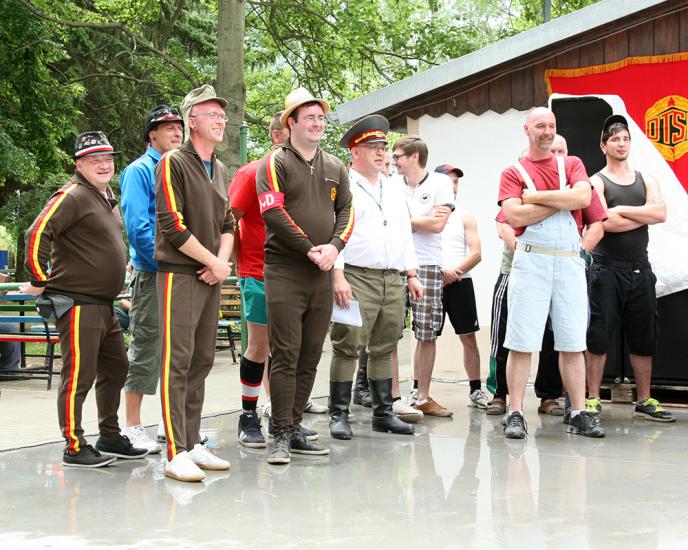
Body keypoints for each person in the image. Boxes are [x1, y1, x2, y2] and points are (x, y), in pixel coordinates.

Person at [22, 131, 148, 467]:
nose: (104, 165)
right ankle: (74, 445)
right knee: (79, 376)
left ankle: (110, 435)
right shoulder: (73, 195)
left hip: (105, 305)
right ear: (79, 165)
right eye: (95, 160)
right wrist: (39, 278)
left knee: (117, 368)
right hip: (78, 304)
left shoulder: (105, 197)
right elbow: (37, 233)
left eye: (107, 158)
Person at [256, 87, 353, 464]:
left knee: (311, 353)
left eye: (320, 118)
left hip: (321, 273)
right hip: (285, 269)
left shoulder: (336, 167)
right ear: (291, 122)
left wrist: (334, 247)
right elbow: (272, 213)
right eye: (309, 117)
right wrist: (310, 248)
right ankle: (279, 433)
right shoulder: (275, 162)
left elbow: (347, 211)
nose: (316, 123)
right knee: (286, 353)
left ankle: (294, 427)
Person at [498, 107, 604, 439]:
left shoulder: (571, 163)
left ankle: (578, 411)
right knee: (521, 340)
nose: (547, 131)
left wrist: (536, 199)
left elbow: (583, 196)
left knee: (573, 340)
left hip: (568, 260)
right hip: (531, 261)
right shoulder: (513, 171)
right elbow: (515, 217)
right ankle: (515, 412)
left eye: (551, 126)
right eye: (540, 125)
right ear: (526, 129)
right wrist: (563, 200)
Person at [155, 85, 235, 481]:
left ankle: (191, 441)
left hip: (210, 275)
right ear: (193, 121)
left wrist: (220, 264)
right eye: (212, 114)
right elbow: (172, 224)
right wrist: (212, 262)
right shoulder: (173, 162)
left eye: (222, 114)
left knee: (202, 359)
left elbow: (228, 223)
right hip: (179, 276)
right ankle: (174, 451)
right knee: (178, 361)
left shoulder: (219, 168)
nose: (221, 120)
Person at [328, 114, 422, 440]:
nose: (382, 153)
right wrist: (337, 275)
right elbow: (334, 232)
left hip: (391, 277)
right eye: (373, 147)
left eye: (384, 147)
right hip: (355, 276)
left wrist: (411, 273)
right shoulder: (343, 186)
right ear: (354, 152)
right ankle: (339, 414)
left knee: (385, 345)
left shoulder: (394, 188)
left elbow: (404, 233)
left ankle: (383, 413)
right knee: (347, 345)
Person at [585, 115, 675, 422]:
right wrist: (642, 214)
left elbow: (661, 213)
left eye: (625, 139)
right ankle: (593, 398)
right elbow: (604, 222)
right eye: (615, 139)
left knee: (643, 336)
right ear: (604, 146)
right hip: (606, 270)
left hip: (641, 270)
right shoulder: (597, 181)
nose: (621, 144)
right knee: (598, 335)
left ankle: (645, 399)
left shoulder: (646, 179)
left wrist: (621, 209)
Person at [120, 105, 184, 454]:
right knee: (146, 349)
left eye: (179, 127)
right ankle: (131, 426)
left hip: (181, 274)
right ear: (151, 134)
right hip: (152, 273)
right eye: (168, 127)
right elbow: (137, 229)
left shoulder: (180, 169)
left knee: (178, 352)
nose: (176, 132)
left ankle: (169, 422)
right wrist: (171, 261)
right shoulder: (139, 171)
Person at [392, 136, 454, 417]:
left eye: (398, 156)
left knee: (426, 332)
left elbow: (437, 224)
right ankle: (393, 398)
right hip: (394, 263)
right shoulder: (391, 184)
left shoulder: (441, 184)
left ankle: (422, 397)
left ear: (414, 157)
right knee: (390, 333)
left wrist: (400, 222)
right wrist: (420, 221)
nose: (393, 161)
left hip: (427, 263)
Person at [435, 164, 487, 409]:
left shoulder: (466, 216)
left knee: (468, 337)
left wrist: (452, 273)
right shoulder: (424, 215)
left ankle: (475, 390)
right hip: (431, 281)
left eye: (456, 182)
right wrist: (439, 273)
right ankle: (417, 390)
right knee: (425, 338)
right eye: (449, 181)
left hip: (460, 281)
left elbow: (476, 254)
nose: (453, 186)